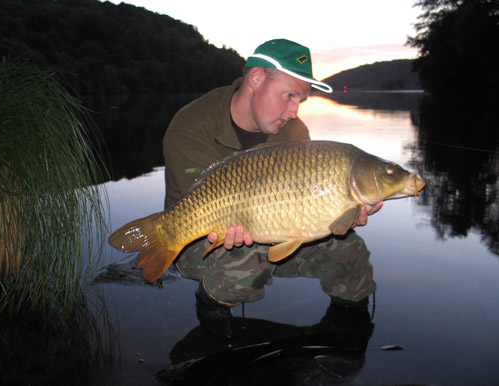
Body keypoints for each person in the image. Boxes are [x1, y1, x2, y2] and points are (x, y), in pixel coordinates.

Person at [163, 39, 381, 333]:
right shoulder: (190, 127)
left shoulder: (294, 130)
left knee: (350, 251)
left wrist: (341, 214)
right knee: (245, 261)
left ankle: (349, 335)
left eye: (300, 101)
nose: (294, 111)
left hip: (277, 227)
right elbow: (200, 204)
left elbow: (305, 203)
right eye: (289, 95)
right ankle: (212, 318)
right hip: (194, 233)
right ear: (255, 79)